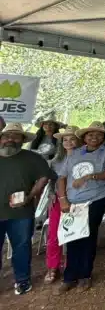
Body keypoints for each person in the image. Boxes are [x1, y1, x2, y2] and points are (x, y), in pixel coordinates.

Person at [56, 122, 105, 294]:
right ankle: (69, 277)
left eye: (98, 135)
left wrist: (90, 176)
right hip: (72, 201)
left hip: (95, 199)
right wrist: (63, 200)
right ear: (84, 138)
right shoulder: (74, 153)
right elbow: (61, 178)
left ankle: (85, 275)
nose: (94, 137)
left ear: (103, 138)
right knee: (72, 237)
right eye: (90, 135)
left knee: (87, 235)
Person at [0, 123, 55, 295]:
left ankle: (22, 281)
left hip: (21, 213)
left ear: (23, 140)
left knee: (22, 248)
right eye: (7, 136)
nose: (10, 139)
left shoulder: (32, 157)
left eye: (16, 136)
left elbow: (45, 176)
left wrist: (30, 196)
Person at [45, 126, 80, 285]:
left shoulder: (84, 158)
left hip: (78, 200)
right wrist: (52, 194)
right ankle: (52, 266)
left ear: (78, 141)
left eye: (72, 138)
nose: (68, 142)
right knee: (53, 235)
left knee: (74, 233)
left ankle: (71, 265)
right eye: (65, 139)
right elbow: (51, 182)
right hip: (58, 200)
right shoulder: (55, 161)